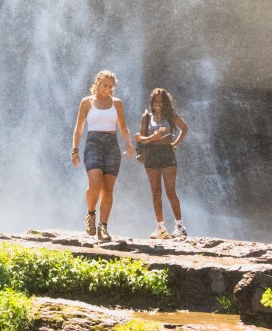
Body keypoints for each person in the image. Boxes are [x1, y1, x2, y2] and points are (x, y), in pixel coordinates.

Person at [71, 69, 135, 241]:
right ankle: (91, 215)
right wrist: (75, 149)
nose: (108, 89)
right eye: (105, 85)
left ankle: (103, 227)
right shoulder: (86, 102)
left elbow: (122, 126)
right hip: (93, 144)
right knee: (95, 184)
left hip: (112, 146)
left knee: (108, 189)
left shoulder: (117, 103)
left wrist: (128, 143)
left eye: (111, 86)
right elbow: (79, 128)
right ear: (97, 83)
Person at [135, 87, 189, 239]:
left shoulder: (171, 115)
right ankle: (160, 228)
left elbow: (184, 129)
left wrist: (175, 144)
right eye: (155, 101)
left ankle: (179, 226)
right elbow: (141, 139)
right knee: (156, 192)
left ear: (165, 103)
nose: (158, 104)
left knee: (170, 191)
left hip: (167, 154)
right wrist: (153, 137)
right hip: (151, 154)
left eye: (161, 101)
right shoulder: (146, 117)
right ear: (152, 102)